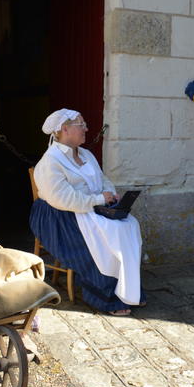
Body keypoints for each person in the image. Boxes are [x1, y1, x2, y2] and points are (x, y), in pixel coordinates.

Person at [29, 109, 145, 317]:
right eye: (81, 125)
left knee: (129, 224)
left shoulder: (85, 154)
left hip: (89, 208)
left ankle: (129, 290)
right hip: (61, 216)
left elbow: (102, 179)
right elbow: (64, 200)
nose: (86, 129)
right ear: (65, 129)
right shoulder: (51, 161)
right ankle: (106, 296)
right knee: (105, 236)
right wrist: (100, 200)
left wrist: (109, 193)